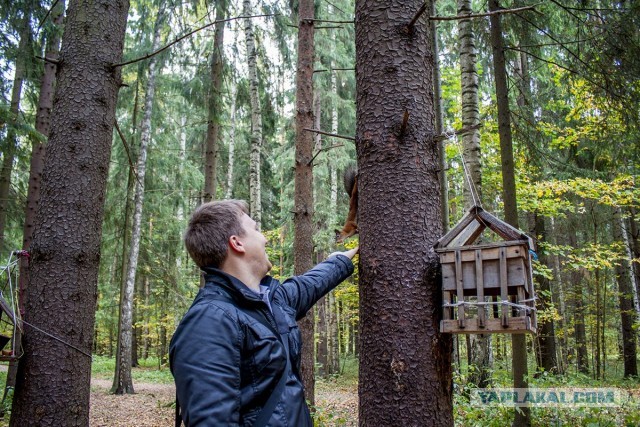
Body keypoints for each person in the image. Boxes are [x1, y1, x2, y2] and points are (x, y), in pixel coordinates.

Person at [170, 200, 358, 426]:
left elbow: (308, 285)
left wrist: (343, 258)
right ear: (237, 243)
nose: (265, 238)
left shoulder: (271, 301)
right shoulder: (209, 322)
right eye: (256, 229)